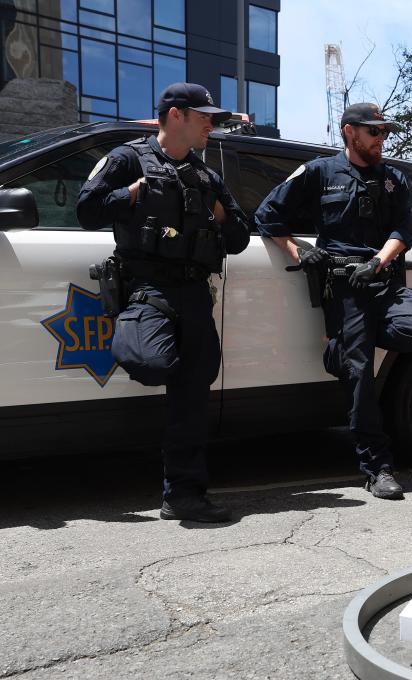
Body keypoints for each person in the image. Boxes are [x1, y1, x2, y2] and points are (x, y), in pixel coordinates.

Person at [76, 82, 251, 523]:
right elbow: (87, 210)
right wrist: (130, 195)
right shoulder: (127, 158)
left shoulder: (207, 176)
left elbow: (240, 238)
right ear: (176, 116)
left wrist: (218, 214)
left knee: (193, 397)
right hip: (146, 288)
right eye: (204, 116)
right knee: (151, 362)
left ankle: (184, 494)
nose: (211, 124)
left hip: (192, 292)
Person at [254, 102, 412, 499]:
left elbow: (402, 229)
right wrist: (299, 252)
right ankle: (378, 467)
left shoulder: (394, 178)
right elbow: (268, 214)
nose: (381, 138)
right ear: (349, 132)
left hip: (381, 277)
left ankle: (340, 348)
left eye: (384, 132)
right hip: (344, 285)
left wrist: (377, 262)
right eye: (374, 132)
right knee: (359, 373)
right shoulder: (320, 172)